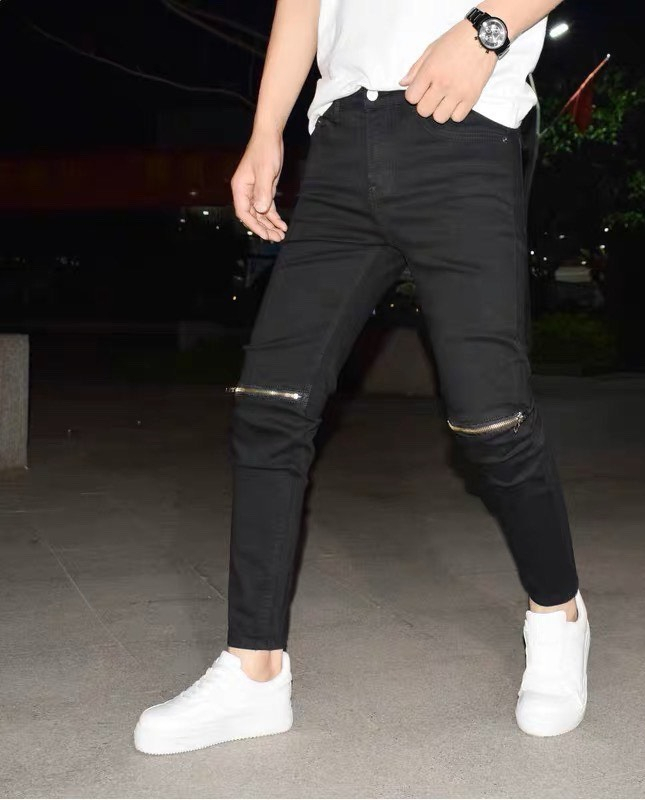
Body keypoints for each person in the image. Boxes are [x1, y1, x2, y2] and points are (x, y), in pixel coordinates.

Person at [134, 0, 589, 755]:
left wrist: (487, 30)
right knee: (270, 404)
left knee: (491, 420)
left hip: (465, 125)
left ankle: (559, 615)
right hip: (343, 138)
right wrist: (266, 129)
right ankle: (253, 670)